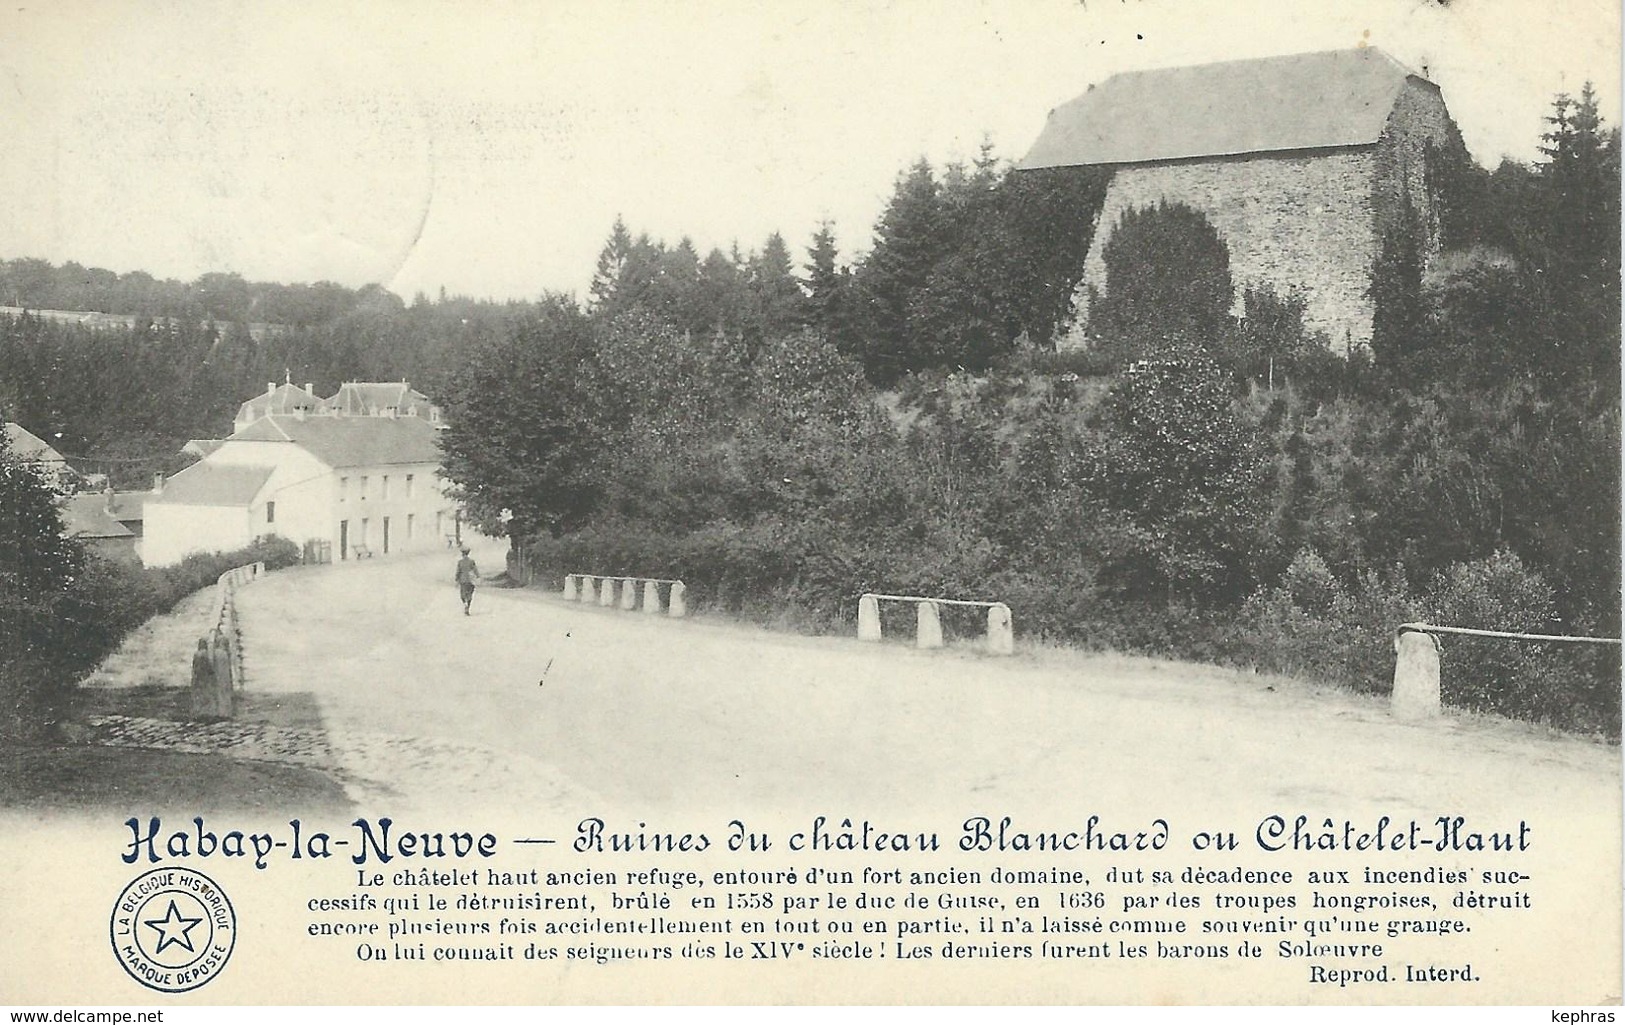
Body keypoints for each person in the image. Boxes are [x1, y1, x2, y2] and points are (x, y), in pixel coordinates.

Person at [454, 545, 480, 615]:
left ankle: (465, 604)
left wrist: (456, 579)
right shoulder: (471, 561)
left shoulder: (460, 562)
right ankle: (468, 606)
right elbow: (475, 570)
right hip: (470, 580)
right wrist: (478, 577)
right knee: (470, 594)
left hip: (463, 580)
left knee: (463, 594)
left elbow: (458, 571)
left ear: (462, 554)